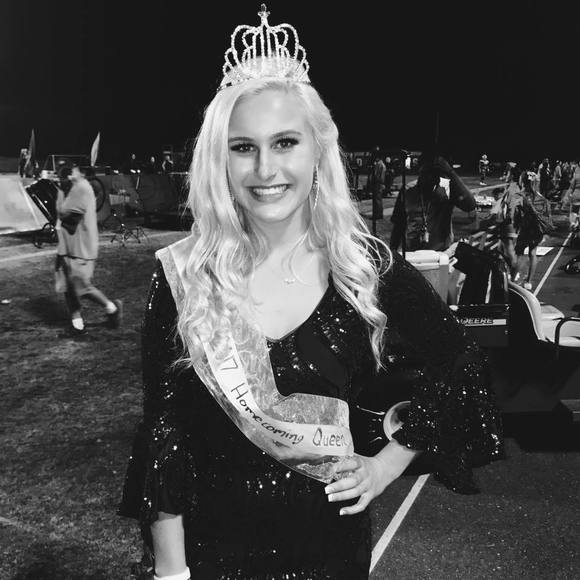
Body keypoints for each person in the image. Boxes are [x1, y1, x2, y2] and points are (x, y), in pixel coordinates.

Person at [118, 7, 503, 579]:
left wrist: (386, 465)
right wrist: (172, 571)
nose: (264, 168)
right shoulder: (185, 275)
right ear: (220, 159)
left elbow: (460, 363)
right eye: (243, 146)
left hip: (330, 547)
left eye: (285, 142)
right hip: (211, 549)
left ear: (318, 151)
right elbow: (165, 430)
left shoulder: (364, 268)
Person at [55, 164, 122, 334]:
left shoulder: (81, 188)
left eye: (73, 171)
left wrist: (59, 191)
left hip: (80, 248)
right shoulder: (74, 188)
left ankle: (112, 308)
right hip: (68, 245)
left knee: (81, 286)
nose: (71, 175)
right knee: (67, 286)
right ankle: (77, 324)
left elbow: (62, 212)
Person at [390, 154, 477, 253]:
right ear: (420, 171)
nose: (429, 178)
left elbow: (470, 205)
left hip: (440, 252)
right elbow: (398, 223)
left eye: (434, 175)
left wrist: (450, 172)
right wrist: (392, 250)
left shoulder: (447, 188)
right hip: (412, 252)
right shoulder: (408, 190)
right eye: (426, 173)